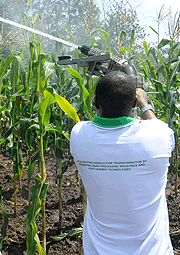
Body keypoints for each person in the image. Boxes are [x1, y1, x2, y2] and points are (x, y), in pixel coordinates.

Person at [70, 71, 174, 255]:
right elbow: (155, 125)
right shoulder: (159, 137)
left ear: (95, 102)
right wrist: (144, 103)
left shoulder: (78, 135)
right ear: (134, 103)